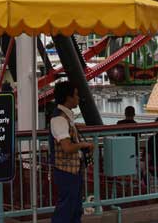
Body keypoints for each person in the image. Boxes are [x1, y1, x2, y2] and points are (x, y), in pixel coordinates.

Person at [49, 81, 94, 223]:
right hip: (66, 172)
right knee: (66, 209)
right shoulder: (59, 119)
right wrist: (83, 144)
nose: (78, 98)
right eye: (76, 95)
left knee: (74, 208)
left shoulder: (64, 117)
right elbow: (67, 147)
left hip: (71, 170)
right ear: (68, 97)